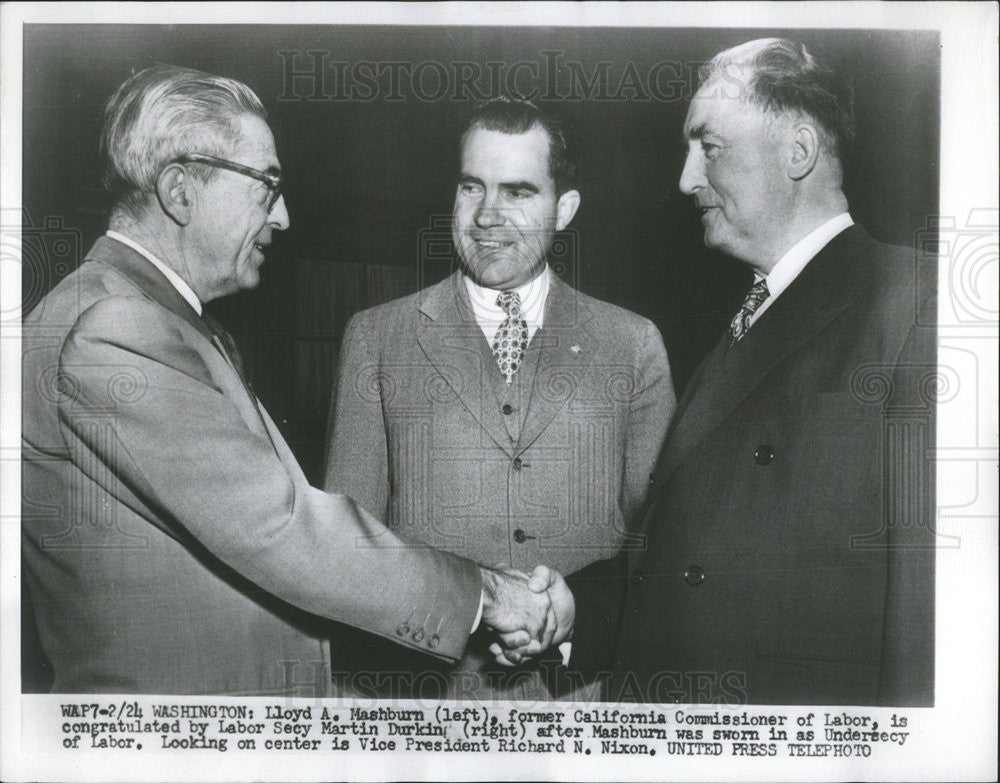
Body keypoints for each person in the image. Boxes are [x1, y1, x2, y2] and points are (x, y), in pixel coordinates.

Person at [20, 65, 572, 696]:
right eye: (265, 186)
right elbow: (281, 527)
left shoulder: (141, 315)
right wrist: (487, 595)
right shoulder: (113, 326)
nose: (282, 216)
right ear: (180, 191)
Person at [500, 38, 936, 706]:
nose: (684, 179)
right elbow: (677, 562)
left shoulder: (916, 303)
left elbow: (928, 618)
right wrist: (571, 606)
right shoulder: (737, 326)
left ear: (797, 150)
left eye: (709, 145)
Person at [323, 97, 675, 700]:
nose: (488, 215)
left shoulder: (632, 344)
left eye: (517, 192)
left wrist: (570, 622)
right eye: (471, 187)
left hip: (583, 710)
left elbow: (660, 553)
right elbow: (345, 550)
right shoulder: (377, 337)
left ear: (563, 209)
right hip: (423, 712)